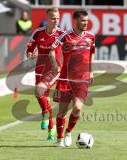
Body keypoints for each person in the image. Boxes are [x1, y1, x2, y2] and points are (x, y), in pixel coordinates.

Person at [50, 9, 95, 147]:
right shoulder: (65, 36)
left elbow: (92, 54)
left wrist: (91, 72)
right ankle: (59, 139)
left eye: (87, 21)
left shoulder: (91, 37)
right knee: (62, 111)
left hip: (82, 79)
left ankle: (69, 132)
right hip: (65, 79)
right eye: (83, 21)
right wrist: (55, 65)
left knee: (77, 108)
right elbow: (51, 50)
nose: (85, 23)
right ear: (75, 21)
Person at [25, 8, 64, 141]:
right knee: (41, 96)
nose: (56, 20)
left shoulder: (61, 34)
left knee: (39, 90)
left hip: (54, 69)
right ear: (47, 19)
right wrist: (31, 55)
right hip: (40, 69)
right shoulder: (38, 33)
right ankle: (50, 129)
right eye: (53, 18)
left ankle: (45, 114)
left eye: (58, 18)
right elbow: (29, 50)